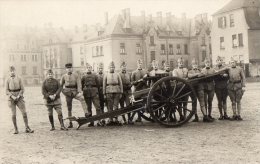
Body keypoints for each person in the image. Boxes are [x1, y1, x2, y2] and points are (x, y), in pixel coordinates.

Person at [61, 63, 91, 128]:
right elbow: (60, 86)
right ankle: (70, 122)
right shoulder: (64, 76)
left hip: (75, 91)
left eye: (70, 68)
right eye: (68, 68)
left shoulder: (76, 75)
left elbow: (79, 84)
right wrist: (64, 92)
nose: (69, 69)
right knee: (69, 107)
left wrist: (80, 92)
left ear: (72, 68)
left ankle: (86, 113)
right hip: (67, 92)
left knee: (82, 99)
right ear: (66, 69)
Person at [6, 66, 34, 134]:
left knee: (24, 112)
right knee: (13, 114)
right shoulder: (7, 79)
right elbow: (6, 91)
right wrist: (12, 96)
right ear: (9, 72)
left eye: (13, 70)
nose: (12, 72)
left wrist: (18, 96)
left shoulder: (19, 78)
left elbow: (22, 89)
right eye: (11, 71)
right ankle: (16, 129)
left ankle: (27, 127)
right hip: (11, 98)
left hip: (19, 97)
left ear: (15, 71)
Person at [103, 61, 123, 125]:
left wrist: (121, 92)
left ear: (114, 68)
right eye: (111, 67)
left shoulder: (117, 74)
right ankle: (110, 119)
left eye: (113, 67)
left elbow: (120, 84)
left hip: (117, 91)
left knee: (116, 105)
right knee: (109, 106)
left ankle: (115, 119)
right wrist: (104, 93)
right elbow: (104, 84)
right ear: (109, 68)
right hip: (108, 91)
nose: (112, 68)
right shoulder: (106, 75)